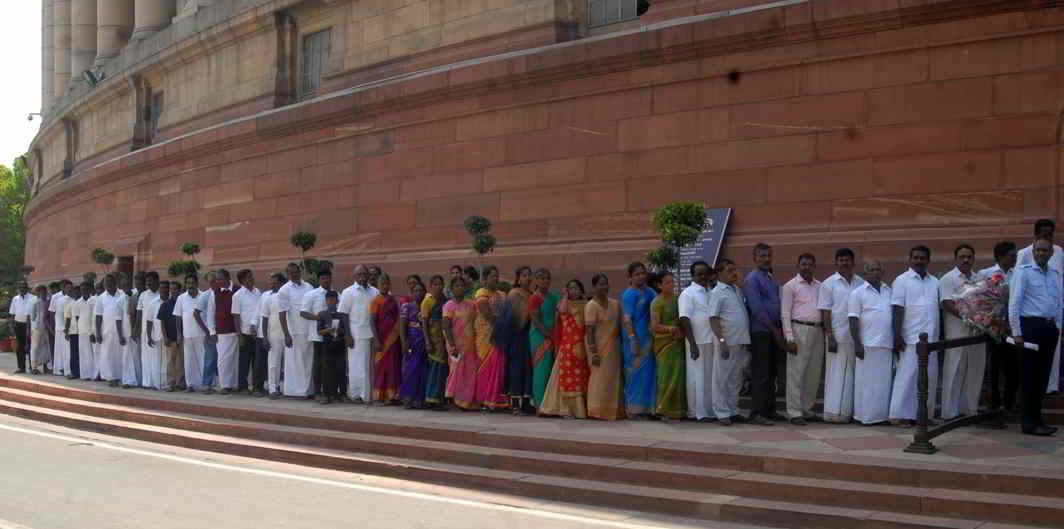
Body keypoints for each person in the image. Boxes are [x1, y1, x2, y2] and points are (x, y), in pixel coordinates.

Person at [1008, 235, 1062, 436]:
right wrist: (1017, 333)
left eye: (1045, 250)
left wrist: (1057, 327)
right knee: (1030, 378)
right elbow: (1014, 303)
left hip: (1049, 330)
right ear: (1033, 252)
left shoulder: (1054, 274)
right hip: (1030, 328)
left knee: (1042, 378)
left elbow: (1058, 302)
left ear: (1051, 253)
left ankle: (1038, 420)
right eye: (1038, 250)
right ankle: (1029, 423)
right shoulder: (1024, 273)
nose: (1041, 253)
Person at [889, 246, 941, 427]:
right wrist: (896, 335)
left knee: (930, 377)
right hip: (910, 337)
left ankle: (924, 414)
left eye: (923, 258)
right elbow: (897, 308)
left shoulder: (934, 281)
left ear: (928, 260)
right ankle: (902, 415)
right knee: (908, 376)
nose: (919, 261)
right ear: (910, 259)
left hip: (931, 338)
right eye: (916, 258)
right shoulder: (901, 281)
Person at [817, 248, 865, 424]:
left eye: (847, 260)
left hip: (857, 335)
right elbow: (825, 312)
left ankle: (849, 410)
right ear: (836, 263)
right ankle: (834, 412)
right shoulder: (829, 283)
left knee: (853, 374)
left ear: (853, 262)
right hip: (837, 334)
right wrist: (830, 335)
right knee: (835, 374)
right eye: (841, 260)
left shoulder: (860, 282)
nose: (844, 263)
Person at [1016, 219, 1063, 395]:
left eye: (1050, 235)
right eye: (1043, 234)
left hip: (1053, 310)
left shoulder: (1059, 251)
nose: (1047, 237)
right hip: (1032, 313)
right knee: (1033, 363)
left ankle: (1051, 386)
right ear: (1035, 235)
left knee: (1054, 351)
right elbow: (1018, 285)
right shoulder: (1024, 253)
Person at [847, 260, 894, 425]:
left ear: (883, 272)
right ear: (865, 273)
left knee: (883, 382)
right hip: (867, 344)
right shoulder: (857, 293)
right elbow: (853, 319)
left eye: (878, 270)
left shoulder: (889, 291)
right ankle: (865, 416)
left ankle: (880, 415)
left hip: (886, 343)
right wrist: (857, 344)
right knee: (865, 382)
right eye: (872, 270)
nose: (875, 272)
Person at [743, 243, 784, 425]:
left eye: (768, 255)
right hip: (761, 331)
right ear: (754, 258)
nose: (766, 259)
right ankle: (756, 413)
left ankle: (769, 410)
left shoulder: (771, 278)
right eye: (762, 256)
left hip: (774, 331)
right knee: (761, 373)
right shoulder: (752, 279)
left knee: (772, 372)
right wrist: (774, 330)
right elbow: (757, 309)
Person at [939, 244, 982, 421]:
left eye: (969, 256)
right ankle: (949, 412)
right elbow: (947, 304)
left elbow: (986, 302)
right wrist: (969, 317)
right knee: (954, 370)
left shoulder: (979, 278)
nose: (966, 260)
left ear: (973, 258)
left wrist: (985, 319)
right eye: (962, 256)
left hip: (977, 332)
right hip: (957, 331)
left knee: (975, 370)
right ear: (956, 258)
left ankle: (970, 409)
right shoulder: (948, 279)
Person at [979, 241, 1019, 427]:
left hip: (1012, 328)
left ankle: (1008, 406)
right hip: (993, 329)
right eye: (1012, 255)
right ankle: (993, 409)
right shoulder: (986, 274)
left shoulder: (1017, 273)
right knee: (993, 371)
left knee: (1012, 369)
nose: (1015, 258)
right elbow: (979, 300)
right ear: (1001, 256)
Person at [781, 253, 823, 425]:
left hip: (817, 330)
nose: (807, 267)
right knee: (796, 373)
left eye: (810, 264)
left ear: (814, 266)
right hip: (798, 329)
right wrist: (789, 338)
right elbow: (784, 314)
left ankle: (807, 409)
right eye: (803, 264)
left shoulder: (820, 286)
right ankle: (794, 412)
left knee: (813, 373)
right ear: (798, 266)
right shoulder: (790, 286)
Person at [539, 279, 591, 419]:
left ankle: (582, 409)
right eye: (571, 288)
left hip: (583, 346)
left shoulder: (587, 305)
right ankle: (566, 409)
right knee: (566, 377)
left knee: (581, 376)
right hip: (567, 345)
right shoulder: (563, 305)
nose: (574, 291)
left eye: (576, 288)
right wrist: (565, 297)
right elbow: (558, 325)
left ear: (581, 290)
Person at [709, 259, 751, 426]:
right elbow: (713, 318)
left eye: (735, 269)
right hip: (726, 342)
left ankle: (733, 410)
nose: (734, 273)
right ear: (719, 274)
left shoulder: (736, 290)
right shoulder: (717, 292)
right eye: (729, 270)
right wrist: (721, 341)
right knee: (721, 378)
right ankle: (721, 413)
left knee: (736, 378)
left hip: (739, 341)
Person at [678, 261, 716, 422]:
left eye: (705, 273)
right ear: (692, 275)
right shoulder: (688, 293)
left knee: (708, 377)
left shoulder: (710, 292)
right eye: (699, 274)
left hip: (710, 340)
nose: (703, 277)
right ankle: (697, 413)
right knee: (696, 377)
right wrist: (692, 344)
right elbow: (684, 319)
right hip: (696, 342)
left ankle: (708, 411)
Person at [584, 273, 624, 420]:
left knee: (613, 379)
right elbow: (589, 332)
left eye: (606, 283)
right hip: (597, 348)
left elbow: (620, 327)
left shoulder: (615, 304)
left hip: (614, 347)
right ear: (594, 287)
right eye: (600, 284)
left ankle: (613, 411)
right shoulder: (591, 306)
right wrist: (594, 353)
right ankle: (596, 410)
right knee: (598, 378)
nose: (604, 287)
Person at [468, 265, 507, 410]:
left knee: (498, 366)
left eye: (497, 275)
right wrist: (503, 323)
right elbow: (487, 314)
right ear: (484, 279)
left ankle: (496, 399)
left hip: (500, 333)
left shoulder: (503, 294)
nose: (495, 278)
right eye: (492, 276)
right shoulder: (481, 293)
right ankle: (484, 399)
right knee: (486, 364)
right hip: (486, 334)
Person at [339, 265, 379, 403]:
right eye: (359, 274)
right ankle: (357, 395)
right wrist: (348, 335)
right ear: (354, 276)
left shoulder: (375, 292)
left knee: (369, 365)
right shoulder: (348, 292)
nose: (362, 277)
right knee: (356, 365)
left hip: (372, 333)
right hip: (355, 333)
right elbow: (343, 314)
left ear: (368, 275)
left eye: (364, 274)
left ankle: (368, 394)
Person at [621, 262, 656, 418]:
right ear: (630, 277)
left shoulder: (650, 292)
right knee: (634, 373)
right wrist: (633, 339)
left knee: (648, 373)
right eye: (637, 274)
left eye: (643, 273)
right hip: (634, 339)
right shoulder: (629, 294)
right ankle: (633, 409)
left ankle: (647, 408)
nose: (641, 276)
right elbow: (627, 319)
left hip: (649, 338)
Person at [499, 266, 534, 413]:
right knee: (516, 369)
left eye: (529, 275)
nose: (528, 278)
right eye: (524, 275)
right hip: (516, 335)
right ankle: (514, 404)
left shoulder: (531, 294)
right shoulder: (514, 294)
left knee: (528, 368)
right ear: (518, 279)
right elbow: (513, 317)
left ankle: (526, 402)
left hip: (528, 334)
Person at [651, 272, 685, 420]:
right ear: (659, 285)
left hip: (678, 342)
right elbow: (655, 326)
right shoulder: (657, 302)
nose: (672, 285)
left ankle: (679, 410)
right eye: (667, 282)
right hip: (664, 344)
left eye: (673, 282)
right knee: (666, 375)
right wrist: (670, 329)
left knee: (679, 375)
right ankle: (663, 409)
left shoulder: (679, 299)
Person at [277, 263, 314, 398]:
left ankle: (308, 390)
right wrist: (286, 334)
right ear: (287, 274)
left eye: (296, 272)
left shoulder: (309, 287)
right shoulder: (284, 290)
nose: (294, 274)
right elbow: (282, 314)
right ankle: (294, 391)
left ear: (300, 271)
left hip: (308, 330)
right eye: (291, 273)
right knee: (294, 364)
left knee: (308, 362)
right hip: (294, 332)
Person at [444, 276, 479, 409]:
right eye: (456, 286)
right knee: (456, 371)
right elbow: (446, 326)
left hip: (470, 343)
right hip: (455, 343)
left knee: (469, 372)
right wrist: (452, 345)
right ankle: (452, 399)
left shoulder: (471, 304)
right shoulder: (448, 306)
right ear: (452, 288)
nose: (459, 288)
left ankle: (466, 401)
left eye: (462, 285)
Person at [528, 268, 560, 409]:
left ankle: (551, 404)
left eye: (547, 278)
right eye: (541, 278)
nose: (545, 281)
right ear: (536, 280)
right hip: (540, 337)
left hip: (554, 336)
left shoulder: (554, 297)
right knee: (541, 370)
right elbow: (536, 321)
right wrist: (550, 336)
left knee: (552, 370)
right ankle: (540, 405)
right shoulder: (534, 298)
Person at [173, 274, 211, 392]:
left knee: (202, 359)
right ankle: (190, 385)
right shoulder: (181, 298)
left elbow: (209, 314)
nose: (190, 285)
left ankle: (204, 384)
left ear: (197, 283)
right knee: (189, 361)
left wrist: (209, 332)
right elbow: (178, 317)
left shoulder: (204, 296)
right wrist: (179, 334)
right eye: (188, 283)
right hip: (187, 334)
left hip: (202, 334)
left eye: (192, 283)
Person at [369, 274, 403, 403]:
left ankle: (392, 395)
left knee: (393, 367)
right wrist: (376, 340)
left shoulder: (394, 301)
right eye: (382, 283)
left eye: (387, 283)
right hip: (381, 340)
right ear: (378, 285)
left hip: (393, 340)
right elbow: (372, 321)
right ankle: (380, 396)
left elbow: (398, 319)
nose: (385, 286)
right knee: (381, 368)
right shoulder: (375, 301)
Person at [300, 268, 332, 400]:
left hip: (333, 336)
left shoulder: (337, 294)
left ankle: (330, 391)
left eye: (327, 278)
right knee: (319, 364)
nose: (326, 280)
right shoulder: (311, 294)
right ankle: (318, 392)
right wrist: (319, 318)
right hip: (317, 335)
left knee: (330, 364)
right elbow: (303, 312)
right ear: (319, 280)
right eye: (323, 278)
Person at [231, 269, 262, 395]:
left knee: (258, 362)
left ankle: (257, 387)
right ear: (243, 280)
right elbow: (236, 316)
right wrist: (239, 335)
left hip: (258, 333)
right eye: (249, 277)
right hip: (245, 333)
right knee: (244, 362)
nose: (252, 279)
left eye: (252, 276)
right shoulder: (237, 295)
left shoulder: (258, 292)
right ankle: (243, 387)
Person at [420, 275, 449, 408]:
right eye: (435, 284)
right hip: (433, 338)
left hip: (444, 339)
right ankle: (431, 398)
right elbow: (424, 323)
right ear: (431, 286)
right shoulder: (427, 302)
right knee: (434, 369)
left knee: (443, 369)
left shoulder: (446, 300)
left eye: (440, 284)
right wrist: (427, 341)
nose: (438, 287)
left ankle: (441, 398)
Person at [398, 280, 428, 408]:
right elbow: (402, 327)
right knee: (409, 371)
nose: (418, 293)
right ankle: (407, 399)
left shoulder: (427, 306)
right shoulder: (407, 307)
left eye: (421, 290)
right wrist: (404, 342)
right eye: (415, 291)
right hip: (411, 343)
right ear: (411, 293)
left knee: (422, 372)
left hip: (424, 343)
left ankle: (419, 400)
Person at [94, 275, 126, 387]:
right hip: (106, 331)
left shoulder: (122, 294)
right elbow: (98, 317)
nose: (107, 284)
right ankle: (111, 377)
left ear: (115, 282)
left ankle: (122, 377)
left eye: (110, 281)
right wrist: (97, 332)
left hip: (123, 331)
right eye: (105, 282)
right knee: (107, 355)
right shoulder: (101, 298)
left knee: (121, 354)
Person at [316, 290, 347, 404]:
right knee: (327, 370)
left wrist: (340, 330)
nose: (331, 302)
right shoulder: (322, 314)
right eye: (329, 300)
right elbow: (319, 332)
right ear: (326, 301)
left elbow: (345, 329)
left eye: (333, 300)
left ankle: (342, 393)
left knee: (341, 369)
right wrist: (328, 330)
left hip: (339, 344)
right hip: (327, 344)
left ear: (337, 301)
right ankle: (327, 394)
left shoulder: (341, 314)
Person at [259, 273, 287, 398]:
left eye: (275, 283)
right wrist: (265, 338)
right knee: (273, 363)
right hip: (274, 335)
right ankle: (272, 389)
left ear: (282, 283)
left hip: (289, 335)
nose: (273, 285)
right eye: (271, 283)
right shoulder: (269, 298)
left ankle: (287, 388)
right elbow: (264, 319)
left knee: (288, 364)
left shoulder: (287, 296)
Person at [133, 272, 161, 388]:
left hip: (159, 331)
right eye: (147, 281)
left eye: (151, 280)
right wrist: (136, 329)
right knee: (146, 358)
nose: (149, 283)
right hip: (145, 331)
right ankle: (147, 383)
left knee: (158, 358)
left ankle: (157, 382)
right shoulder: (143, 295)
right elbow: (139, 314)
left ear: (157, 281)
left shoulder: (163, 293)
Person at [146, 280, 173, 390]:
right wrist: (148, 336)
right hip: (157, 337)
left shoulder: (173, 301)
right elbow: (149, 321)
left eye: (165, 288)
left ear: (168, 289)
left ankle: (168, 383)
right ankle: (158, 384)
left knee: (169, 362)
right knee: (158, 362)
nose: (163, 290)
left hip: (171, 337)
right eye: (161, 288)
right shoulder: (153, 303)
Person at [10, 281, 34, 373]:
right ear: (18, 288)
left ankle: (32, 367)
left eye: (24, 287)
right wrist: (12, 328)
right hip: (18, 325)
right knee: (20, 347)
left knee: (31, 346)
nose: (22, 289)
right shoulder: (15, 299)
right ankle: (21, 367)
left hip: (29, 325)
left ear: (27, 288)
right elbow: (12, 314)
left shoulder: (32, 298)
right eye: (20, 287)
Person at [73, 282, 95, 381]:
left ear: (89, 289)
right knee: (83, 353)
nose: (83, 291)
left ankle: (94, 374)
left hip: (92, 331)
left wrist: (93, 331)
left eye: (85, 289)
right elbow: (77, 317)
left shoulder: (94, 300)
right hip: (82, 330)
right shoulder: (77, 303)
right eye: (82, 289)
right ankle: (85, 374)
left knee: (92, 353)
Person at [49, 280, 71, 376]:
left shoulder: (72, 298)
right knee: (60, 349)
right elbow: (52, 312)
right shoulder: (56, 297)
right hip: (59, 326)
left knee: (67, 349)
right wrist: (55, 325)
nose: (68, 289)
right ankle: (60, 368)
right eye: (65, 287)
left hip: (69, 327)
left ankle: (66, 368)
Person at [28, 285, 51, 375]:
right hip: (37, 328)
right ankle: (34, 367)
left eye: (44, 292)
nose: (43, 294)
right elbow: (32, 317)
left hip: (47, 328)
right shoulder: (35, 302)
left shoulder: (49, 301)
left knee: (46, 347)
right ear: (37, 293)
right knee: (35, 347)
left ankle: (46, 366)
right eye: (41, 292)